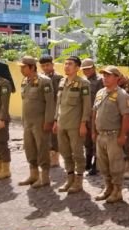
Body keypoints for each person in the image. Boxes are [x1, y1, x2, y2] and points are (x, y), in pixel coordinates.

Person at [92, 66, 129, 204]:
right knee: (103, 164)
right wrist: (93, 131)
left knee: (115, 165)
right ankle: (108, 187)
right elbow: (95, 113)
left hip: (113, 135)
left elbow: (125, 116)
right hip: (100, 135)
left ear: (117, 78)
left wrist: (122, 135)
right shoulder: (100, 93)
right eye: (104, 75)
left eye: (108, 75)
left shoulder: (122, 95)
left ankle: (117, 190)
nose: (105, 78)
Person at [52, 56, 92, 194]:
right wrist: (56, 120)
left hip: (75, 125)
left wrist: (83, 124)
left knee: (78, 153)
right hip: (62, 124)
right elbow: (59, 104)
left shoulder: (83, 83)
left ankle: (79, 181)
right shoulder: (63, 82)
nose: (66, 66)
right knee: (65, 152)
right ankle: (69, 179)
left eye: (70, 64)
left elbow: (87, 106)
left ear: (77, 68)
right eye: (65, 63)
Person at [17, 56, 55, 189]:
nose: (21, 69)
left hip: (40, 122)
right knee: (29, 148)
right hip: (28, 122)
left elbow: (50, 103)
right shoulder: (24, 81)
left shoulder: (44, 81)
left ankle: (44, 177)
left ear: (32, 67)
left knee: (42, 149)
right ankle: (33, 174)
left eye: (24, 67)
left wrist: (49, 121)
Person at [38, 55, 62, 169]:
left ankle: (55, 157)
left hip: (54, 110)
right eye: (43, 66)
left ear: (52, 65)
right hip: (43, 110)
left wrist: (57, 114)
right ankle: (46, 155)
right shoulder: (40, 78)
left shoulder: (58, 78)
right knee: (43, 135)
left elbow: (59, 97)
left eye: (47, 65)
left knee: (54, 136)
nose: (45, 68)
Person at [81, 59, 103, 175]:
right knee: (87, 140)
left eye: (88, 68)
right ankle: (88, 161)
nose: (86, 71)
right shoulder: (83, 81)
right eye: (84, 69)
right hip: (85, 114)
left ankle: (96, 164)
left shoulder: (100, 80)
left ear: (94, 68)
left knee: (95, 140)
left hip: (96, 114)